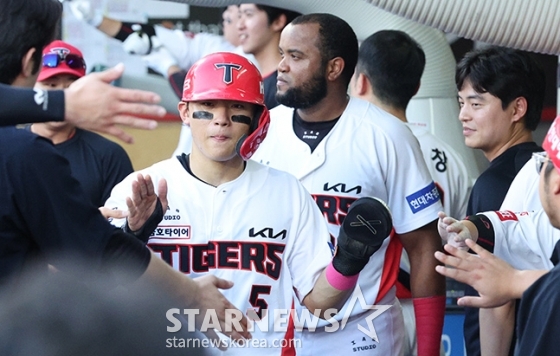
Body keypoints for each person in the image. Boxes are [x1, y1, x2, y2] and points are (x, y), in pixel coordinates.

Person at [105, 51, 393, 355]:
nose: (221, 119)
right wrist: (133, 235)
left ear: (257, 117)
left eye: (237, 107)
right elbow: (100, 284)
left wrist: (348, 261)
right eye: (208, 105)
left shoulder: (287, 192)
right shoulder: (141, 189)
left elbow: (320, 307)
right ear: (185, 112)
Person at [0, 0, 250, 349]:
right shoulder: (24, 155)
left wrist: (134, 227)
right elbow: (101, 250)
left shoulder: (101, 155)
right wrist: (193, 293)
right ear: (30, 62)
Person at [252, 13, 445, 356]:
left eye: (295, 56)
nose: (280, 66)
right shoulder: (263, 130)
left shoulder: (388, 135)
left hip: (363, 331)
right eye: (282, 54)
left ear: (334, 68)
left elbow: (423, 248)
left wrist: (428, 351)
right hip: (277, 330)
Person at [350, 29, 473, 356]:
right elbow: (462, 241)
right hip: (432, 311)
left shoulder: (355, 149)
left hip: (368, 312)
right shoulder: (450, 156)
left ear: (360, 82)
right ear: (416, 87)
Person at [434, 118, 560, 355]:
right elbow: (517, 226)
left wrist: (513, 281)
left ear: (556, 184)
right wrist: (469, 228)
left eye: (543, 162)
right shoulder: (548, 225)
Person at [456, 46, 546, 356]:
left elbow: (497, 299)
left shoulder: (495, 183)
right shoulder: (542, 168)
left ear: (517, 109)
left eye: (476, 103)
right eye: (461, 102)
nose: (463, 115)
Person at [24, 39, 133, 207]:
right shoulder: (9, 150)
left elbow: (124, 226)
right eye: (51, 85)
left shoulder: (108, 156)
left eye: (72, 87)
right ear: (31, 87)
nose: (62, 96)